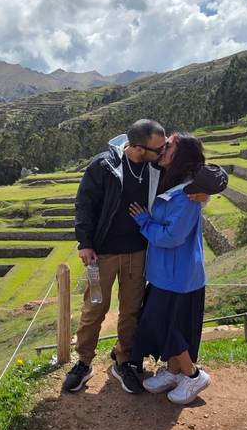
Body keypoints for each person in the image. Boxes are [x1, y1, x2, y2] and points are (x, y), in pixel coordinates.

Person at [63, 120, 225, 394]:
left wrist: (206, 190)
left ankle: (124, 361)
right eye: (158, 148)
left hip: (139, 253)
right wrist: (84, 242)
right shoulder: (104, 166)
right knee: (94, 309)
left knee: (131, 312)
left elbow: (211, 172)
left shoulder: (156, 168)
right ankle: (83, 362)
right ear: (139, 148)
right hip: (101, 254)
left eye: (166, 148)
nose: (163, 153)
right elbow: (84, 204)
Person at [128, 133, 226, 405]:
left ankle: (193, 375)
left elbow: (172, 237)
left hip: (179, 276)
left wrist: (145, 222)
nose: (163, 148)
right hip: (166, 273)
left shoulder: (188, 194)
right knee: (168, 325)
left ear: (180, 155)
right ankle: (173, 371)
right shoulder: (173, 181)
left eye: (169, 145)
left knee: (166, 327)